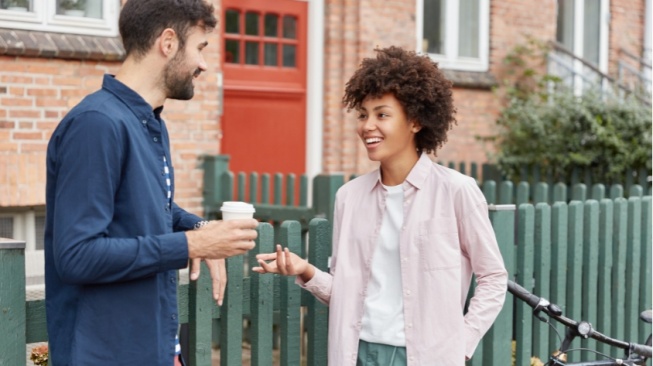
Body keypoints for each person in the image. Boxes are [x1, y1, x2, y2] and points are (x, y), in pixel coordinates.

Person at [253, 46, 508, 365]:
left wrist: (461, 342)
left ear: (415, 121)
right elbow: (349, 294)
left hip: (427, 356)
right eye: (363, 114)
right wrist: (305, 271)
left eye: (382, 114)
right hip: (356, 352)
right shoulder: (349, 197)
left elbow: (494, 277)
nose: (367, 126)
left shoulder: (456, 191)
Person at [44, 0, 258, 364]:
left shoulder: (150, 123)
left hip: (153, 347)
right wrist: (190, 244)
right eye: (200, 48)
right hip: (105, 354)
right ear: (169, 43)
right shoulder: (97, 125)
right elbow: (76, 256)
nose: (204, 64)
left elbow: (148, 205)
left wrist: (201, 230)